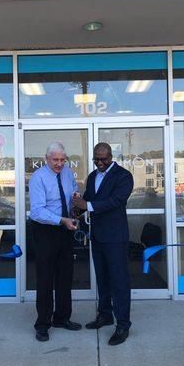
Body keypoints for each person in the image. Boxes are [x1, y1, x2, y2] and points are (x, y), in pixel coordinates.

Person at [73, 142, 134, 346]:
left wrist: (87, 205)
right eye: (96, 159)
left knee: (119, 281)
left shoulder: (124, 176)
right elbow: (88, 200)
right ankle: (105, 315)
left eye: (103, 158)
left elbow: (115, 201)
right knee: (102, 278)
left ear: (111, 156)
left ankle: (123, 324)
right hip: (97, 236)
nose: (99, 162)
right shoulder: (92, 177)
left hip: (116, 238)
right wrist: (77, 207)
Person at [28, 142, 81, 342]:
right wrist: (61, 220)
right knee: (45, 278)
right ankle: (43, 324)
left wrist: (76, 197)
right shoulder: (38, 177)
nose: (59, 164)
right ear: (46, 158)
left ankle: (62, 318)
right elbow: (37, 211)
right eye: (55, 160)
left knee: (65, 276)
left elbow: (73, 191)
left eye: (62, 160)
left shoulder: (67, 173)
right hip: (45, 230)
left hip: (65, 230)